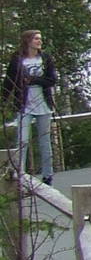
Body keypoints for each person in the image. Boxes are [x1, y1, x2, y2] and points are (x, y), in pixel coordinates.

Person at [3, 29, 57, 185]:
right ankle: (20, 174)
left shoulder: (46, 58)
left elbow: (51, 80)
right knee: (22, 140)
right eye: (36, 39)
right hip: (24, 105)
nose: (39, 41)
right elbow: (9, 80)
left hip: (43, 104)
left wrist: (33, 80)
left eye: (40, 38)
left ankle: (48, 175)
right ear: (28, 41)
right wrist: (4, 99)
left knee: (44, 141)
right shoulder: (17, 59)